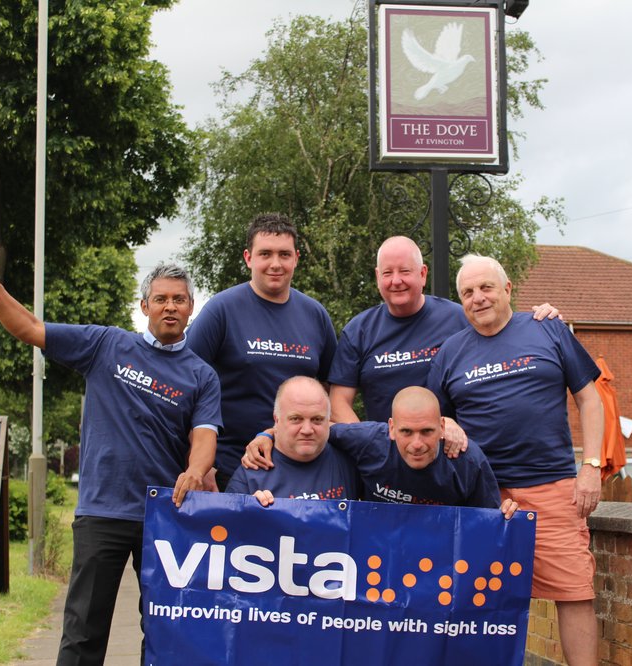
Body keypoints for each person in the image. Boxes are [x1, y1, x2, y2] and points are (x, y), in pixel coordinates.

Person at [0, 250, 222, 666]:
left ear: (191, 307)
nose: (170, 306)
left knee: (167, 627)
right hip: (103, 510)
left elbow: (205, 436)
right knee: (84, 631)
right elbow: (29, 328)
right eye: (161, 299)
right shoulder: (106, 344)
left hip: (165, 514)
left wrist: (195, 470)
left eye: (179, 299)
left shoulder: (201, 375)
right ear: (144, 307)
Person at [426, 254, 604, 666]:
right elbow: (430, 415)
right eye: (467, 292)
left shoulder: (547, 328)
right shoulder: (450, 352)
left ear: (508, 290)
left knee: (574, 592)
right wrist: (445, 422)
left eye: (486, 287)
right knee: (477, 601)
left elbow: (589, 400)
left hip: (553, 488)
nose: (477, 298)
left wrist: (591, 465)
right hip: (481, 497)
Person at [328, 235, 559, 425]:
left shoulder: (459, 317)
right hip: (384, 463)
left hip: (453, 455)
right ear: (378, 277)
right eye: (388, 273)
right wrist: (373, 443)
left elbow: (503, 328)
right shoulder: (358, 330)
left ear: (423, 274)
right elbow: (338, 403)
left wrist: (539, 319)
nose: (396, 280)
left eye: (405, 271)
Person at [185, 213, 337, 491]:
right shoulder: (221, 310)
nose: (275, 264)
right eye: (265, 254)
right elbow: (184, 387)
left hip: (299, 473)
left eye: (284, 254)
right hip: (228, 469)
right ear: (248, 258)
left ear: (296, 258)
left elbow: (330, 392)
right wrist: (199, 464)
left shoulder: (316, 315)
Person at [242, 386, 517, 519]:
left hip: (440, 559)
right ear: (392, 428)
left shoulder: (467, 459)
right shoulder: (367, 440)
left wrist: (505, 517)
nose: (417, 444)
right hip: (379, 557)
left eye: (428, 432)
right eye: (407, 432)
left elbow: (489, 526)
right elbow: (313, 428)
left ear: (442, 427)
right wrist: (268, 433)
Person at [227, 376, 359, 504]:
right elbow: (229, 525)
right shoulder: (250, 474)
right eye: (296, 419)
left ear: (328, 420)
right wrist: (247, 513)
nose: (307, 430)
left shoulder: (351, 460)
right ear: (276, 419)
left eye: (317, 419)